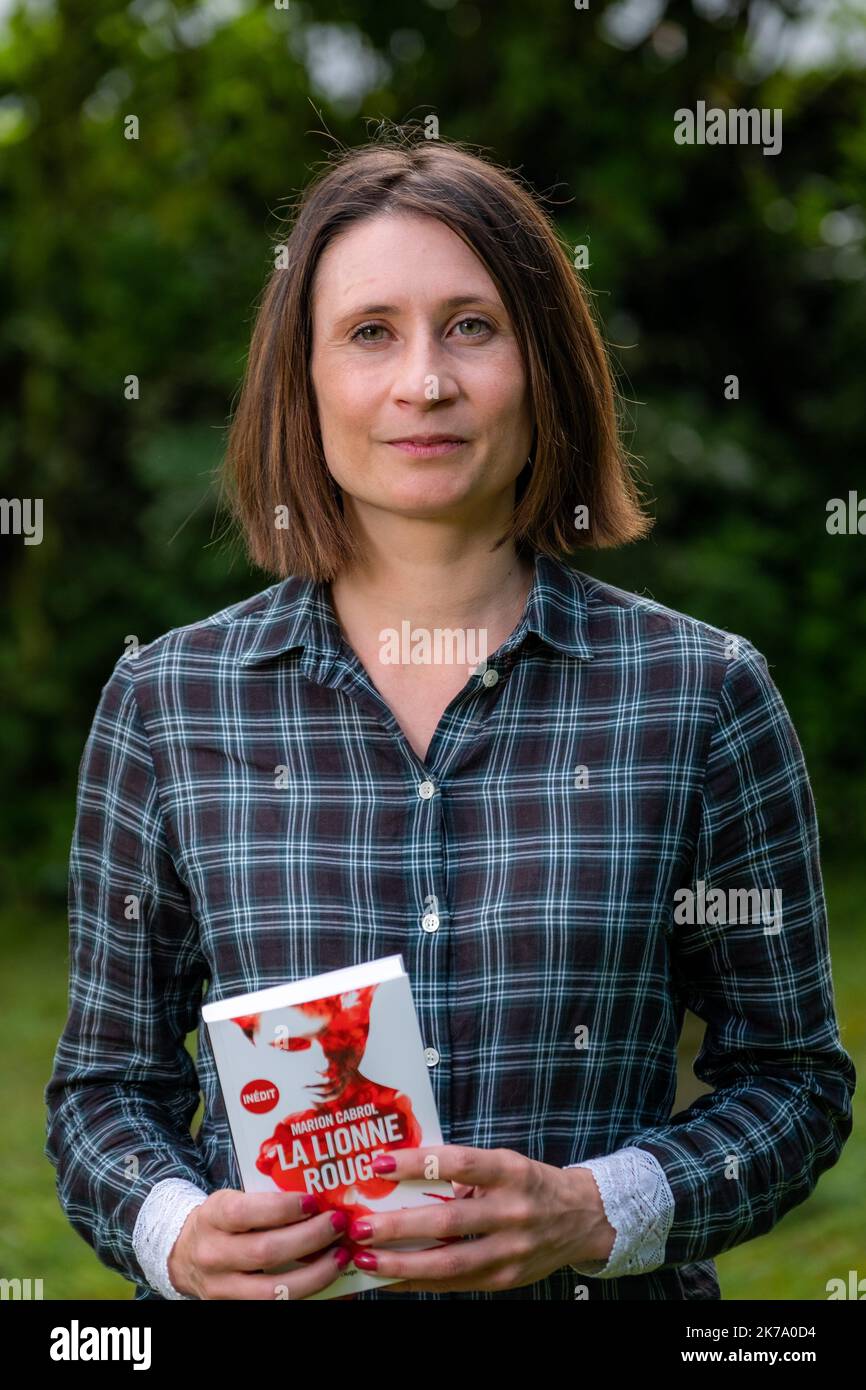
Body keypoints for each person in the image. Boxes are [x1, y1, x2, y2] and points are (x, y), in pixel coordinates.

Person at [45, 131, 855, 1302]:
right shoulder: (168, 702)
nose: (421, 380)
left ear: (544, 367)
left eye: (470, 327)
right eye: (370, 331)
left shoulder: (701, 694)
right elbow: (102, 1089)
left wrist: (592, 1211)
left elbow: (792, 1083)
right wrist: (174, 1232)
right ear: (304, 376)